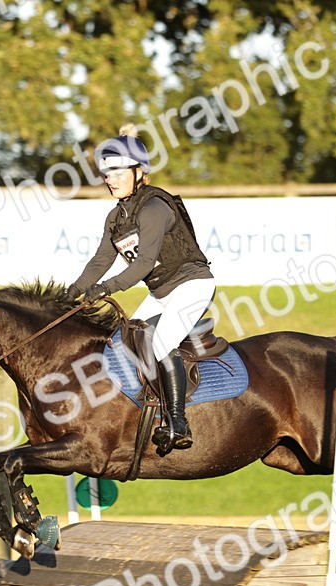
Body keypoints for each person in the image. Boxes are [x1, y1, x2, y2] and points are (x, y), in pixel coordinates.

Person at [63, 124, 215, 451]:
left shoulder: (154, 208)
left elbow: (143, 265)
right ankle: (151, 412)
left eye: (117, 171)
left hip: (192, 285)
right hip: (162, 293)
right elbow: (100, 262)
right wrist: (70, 294)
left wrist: (104, 290)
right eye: (105, 172)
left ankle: (179, 423)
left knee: (160, 344)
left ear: (139, 172)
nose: (109, 178)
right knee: (126, 342)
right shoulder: (115, 218)